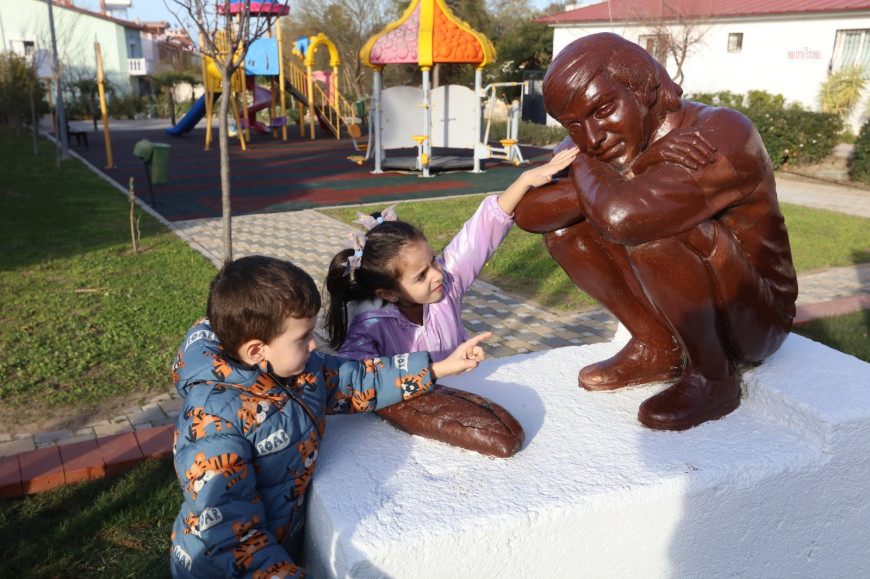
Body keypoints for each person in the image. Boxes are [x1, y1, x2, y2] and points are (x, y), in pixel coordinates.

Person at [513, 32, 798, 431]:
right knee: (565, 232)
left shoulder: (721, 134)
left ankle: (714, 377)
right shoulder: (602, 142)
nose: (592, 138)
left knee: (652, 234)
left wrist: (585, 166)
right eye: (573, 125)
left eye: (603, 109)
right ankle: (658, 347)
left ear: (643, 86)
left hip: (756, 315)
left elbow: (624, 216)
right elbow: (526, 211)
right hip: (700, 294)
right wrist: (630, 166)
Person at [169, 256, 490, 577]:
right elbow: (232, 536)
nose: (314, 343)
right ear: (256, 350)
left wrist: (440, 367)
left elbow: (360, 379)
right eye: (302, 336)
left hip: (279, 541)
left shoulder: (304, 370)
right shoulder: (214, 423)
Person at [322, 150, 577, 455]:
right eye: (420, 276)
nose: (436, 274)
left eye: (433, 260)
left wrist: (523, 181)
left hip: (471, 390)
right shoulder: (369, 325)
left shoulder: (447, 284)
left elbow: (480, 235)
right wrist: (440, 369)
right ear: (388, 294)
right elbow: (352, 378)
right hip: (412, 435)